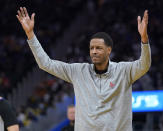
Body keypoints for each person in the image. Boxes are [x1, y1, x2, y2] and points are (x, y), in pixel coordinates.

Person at [16, 7, 151, 131]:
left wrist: (144, 39)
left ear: (109, 50)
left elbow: (144, 65)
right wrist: (31, 36)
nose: (94, 52)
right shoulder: (78, 71)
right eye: (91, 48)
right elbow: (46, 64)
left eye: (98, 48)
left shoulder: (124, 71)